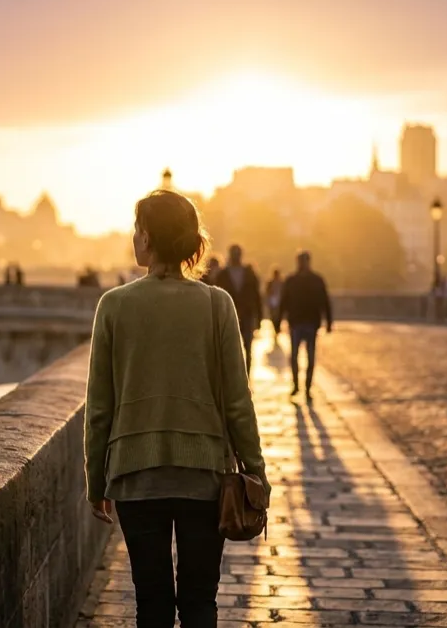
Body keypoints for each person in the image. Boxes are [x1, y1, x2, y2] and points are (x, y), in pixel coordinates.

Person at [84, 188, 269, 628]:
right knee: (200, 600)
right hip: (203, 475)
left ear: (148, 238)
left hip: (135, 474)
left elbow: (100, 407)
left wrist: (96, 482)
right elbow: (237, 401)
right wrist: (256, 469)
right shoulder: (217, 305)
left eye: (137, 229)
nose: (134, 237)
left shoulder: (113, 306)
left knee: (152, 603)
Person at [279, 251, 332, 401]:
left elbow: (324, 301)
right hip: (302, 322)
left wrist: (328, 321)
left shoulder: (294, 280)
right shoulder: (314, 280)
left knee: (304, 356)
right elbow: (325, 302)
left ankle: (304, 387)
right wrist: (328, 321)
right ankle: (300, 386)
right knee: (301, 356)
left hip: (305, 322)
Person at [214, 245, 262, 371]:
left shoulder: (249, 274)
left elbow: (257, 296)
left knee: (247, 347)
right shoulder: (223, 275)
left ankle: (246, 375)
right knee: (229, 348)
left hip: (247, 314)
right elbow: (216, 297)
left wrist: (259, 318)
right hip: (228, 316)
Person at [265, 268, 284, 336]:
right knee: (273, 316)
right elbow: (267, 292)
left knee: (279, 316)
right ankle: (276, 328)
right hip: (272, 301)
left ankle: (277, 328)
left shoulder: (282, 282)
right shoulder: (270, 283)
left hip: (279, 302)